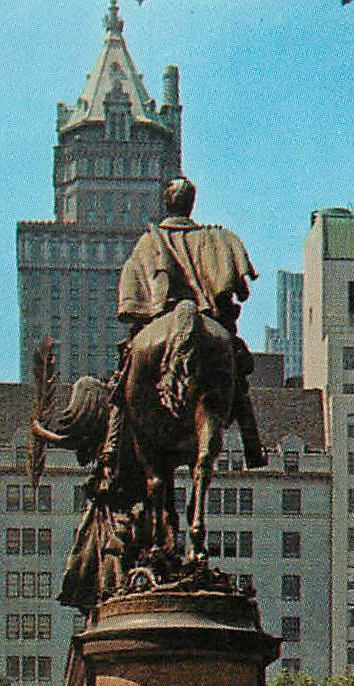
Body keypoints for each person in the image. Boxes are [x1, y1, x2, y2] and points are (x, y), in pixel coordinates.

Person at [102, 176, 264, 473]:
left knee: (122, 381)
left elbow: (132, 298)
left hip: (160, 315)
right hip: (208, 317)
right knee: (237, 377)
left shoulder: (150, 240)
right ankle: (253, 444)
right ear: (191, 204)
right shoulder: (214, 238)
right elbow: (238, 290)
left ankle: (111, 446)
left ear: (167, 203)